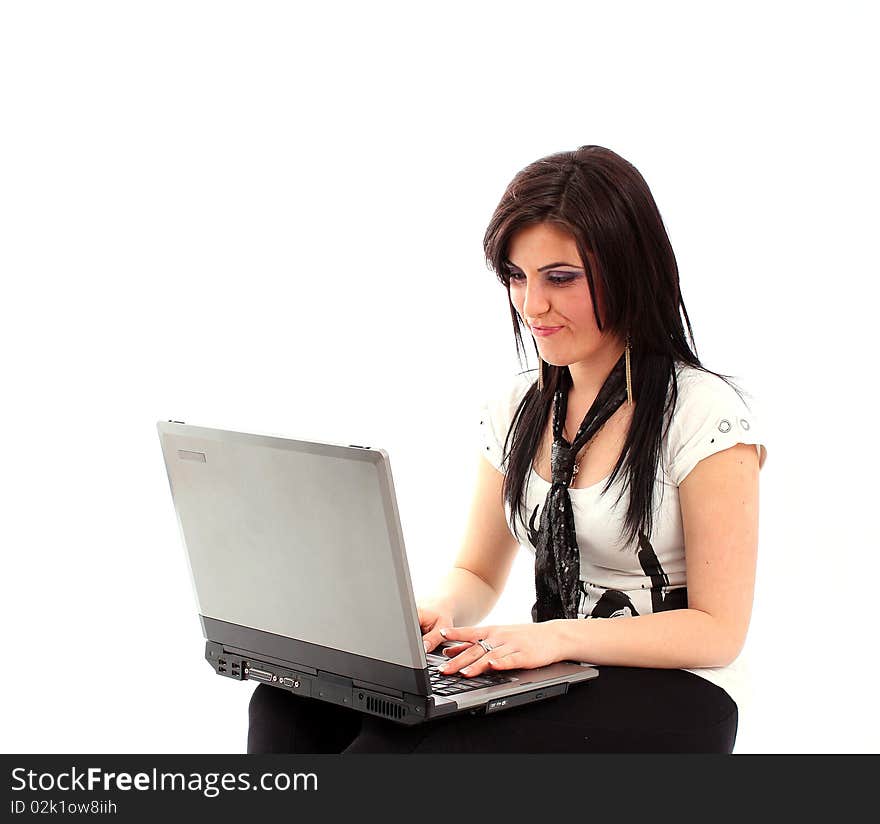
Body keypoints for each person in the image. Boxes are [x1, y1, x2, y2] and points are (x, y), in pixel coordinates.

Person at [247, 145, 767, 753]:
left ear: (630, 271)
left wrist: (560, 638)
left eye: (561, 278)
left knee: (408, 753)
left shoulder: (703, 415)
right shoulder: (518, 409)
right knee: (290, 704)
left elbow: (717, 631)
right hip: (554, 666)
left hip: (679, 691)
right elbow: (476, 572)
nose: (531, 305)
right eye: (517, 277)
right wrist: (434, 613)